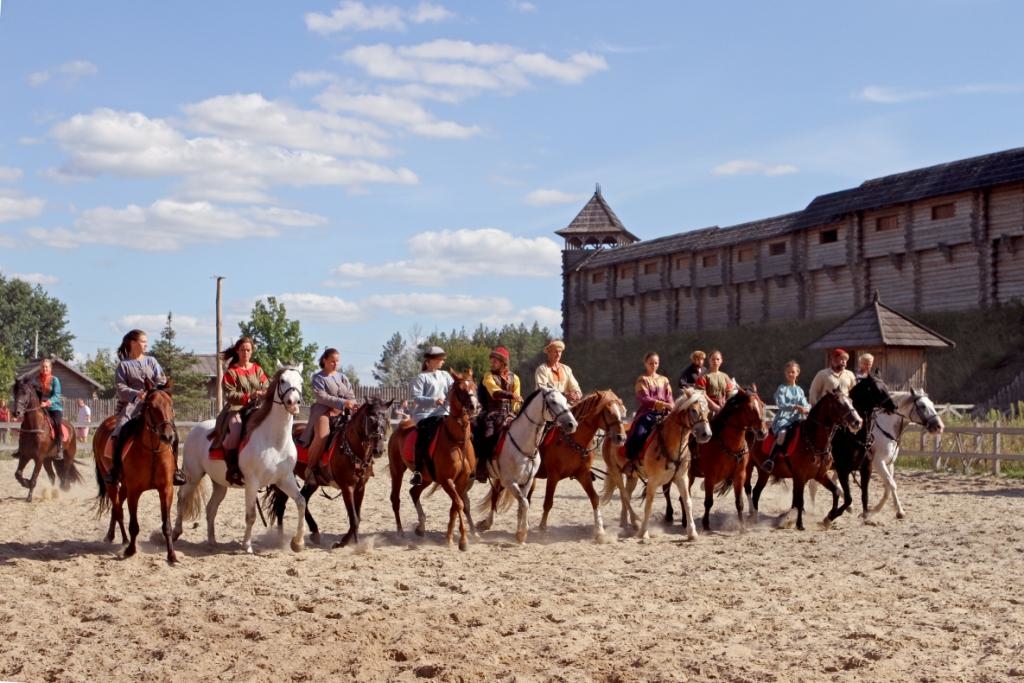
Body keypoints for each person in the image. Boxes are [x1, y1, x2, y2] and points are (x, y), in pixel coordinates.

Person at [104, 329, 178, 484]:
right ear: (133, 343)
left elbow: (161, 380)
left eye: (146, 342)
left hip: (154, 404)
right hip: (131, 407)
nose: (146, 344)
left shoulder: (152, 361)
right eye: (143, 341)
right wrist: (136, 394)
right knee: (119, 431)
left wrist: (155, 389)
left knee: (172, 431)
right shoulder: (123, 366)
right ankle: (115, 470)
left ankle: (176, 470)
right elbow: (120, 388)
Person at [215, 337, 269, 485]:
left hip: (257, 407)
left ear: (252, 352)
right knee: (236, 428)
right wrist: (250, 395)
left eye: (248, 350)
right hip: (236, 408)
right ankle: (232, 468)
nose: (245, 353)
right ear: (237, 351)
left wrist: (264, 392)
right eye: (243, 350)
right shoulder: (231, 372)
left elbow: (266, 385)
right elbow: (230, 394)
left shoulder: (257, 369)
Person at [301, 348, 357, 486]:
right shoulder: (318, 378)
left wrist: (353, 404)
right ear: (324, 360)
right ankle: (310, 469)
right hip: (323, 411)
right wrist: (343, 402)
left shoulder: (343, 377)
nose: (335, 364)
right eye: (332, 361)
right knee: (323, 435)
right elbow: (321, 397)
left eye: (337, 361)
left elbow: (350, 395)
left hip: (344, 411)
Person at [475, 346, 523, 482]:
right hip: (492, 414)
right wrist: (511, 395)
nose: (492, 363)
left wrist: (516, 410)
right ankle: (481, 467)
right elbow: (494, 392)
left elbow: (516, 399)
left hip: (510, 414)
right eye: (491, 360)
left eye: (495, 360)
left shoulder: (515, 378)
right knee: (488, 436)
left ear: (503, 362)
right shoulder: (488, 376)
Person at [409, 346, 454, 486]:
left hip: (444, 412)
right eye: (440, 359)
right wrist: (433, 401)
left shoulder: (445, 375)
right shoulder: (421, 377)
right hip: (425, 414)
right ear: (431, 361)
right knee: (425, 436)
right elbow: (416, 398)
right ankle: (418, 470)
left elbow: (453, 390)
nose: (443, 362)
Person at [624, 352, 674, 462]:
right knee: (638, 434)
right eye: (651, 363)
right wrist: (664, 404)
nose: (653, 365)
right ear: (645, 364)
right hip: (648, 413)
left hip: (665, 413)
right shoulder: (642, 379)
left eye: (656, 363)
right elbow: (644, 398)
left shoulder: (664, 380)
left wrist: (672, 407)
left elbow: (669, 397)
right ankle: (631, 461)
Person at [763, 361, 811, 472]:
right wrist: (794, 407)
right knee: (782, 433)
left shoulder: (800, 390)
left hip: (798, 418)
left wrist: (807, 408)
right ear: (785, 373)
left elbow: (804, 403)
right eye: (788, 372)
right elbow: (781, 404)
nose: (790, 374)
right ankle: (770, 459)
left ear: (797, 373)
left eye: (793, 372)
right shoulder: (782, 389)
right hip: (784, 418)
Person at [534, 339, 582, 404]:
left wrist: (576, 395)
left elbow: (575, 387)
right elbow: (542, 391)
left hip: (567, 406)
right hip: (549, 407)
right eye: (555, 351)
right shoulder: (542, 369)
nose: (558, 354)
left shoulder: (566, 369)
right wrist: (564, 395)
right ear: (549, 352)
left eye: (560, 351)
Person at [35, 359, 65, 461]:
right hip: (39, 407)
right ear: (40, 368)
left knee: (57, 423)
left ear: (50, 368)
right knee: (28, 420)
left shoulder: (54, 380)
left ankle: (59, 447)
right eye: (43, 367)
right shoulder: (36, 380)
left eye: (46, 367)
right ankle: (22, 447)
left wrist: (47, 403)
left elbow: (57, 395)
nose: (44, 368)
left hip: (54, 407)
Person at [695, 350, 734, 415]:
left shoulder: (725, 376)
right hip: (707, 409)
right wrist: (715, 406)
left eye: (718, 359)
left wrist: (726, 403)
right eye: (713, 359)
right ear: (709, 361)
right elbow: (701, 394)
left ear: (721, 361)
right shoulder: (703, 376)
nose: (715, 361)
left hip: (724, 406)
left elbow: (730, 393)